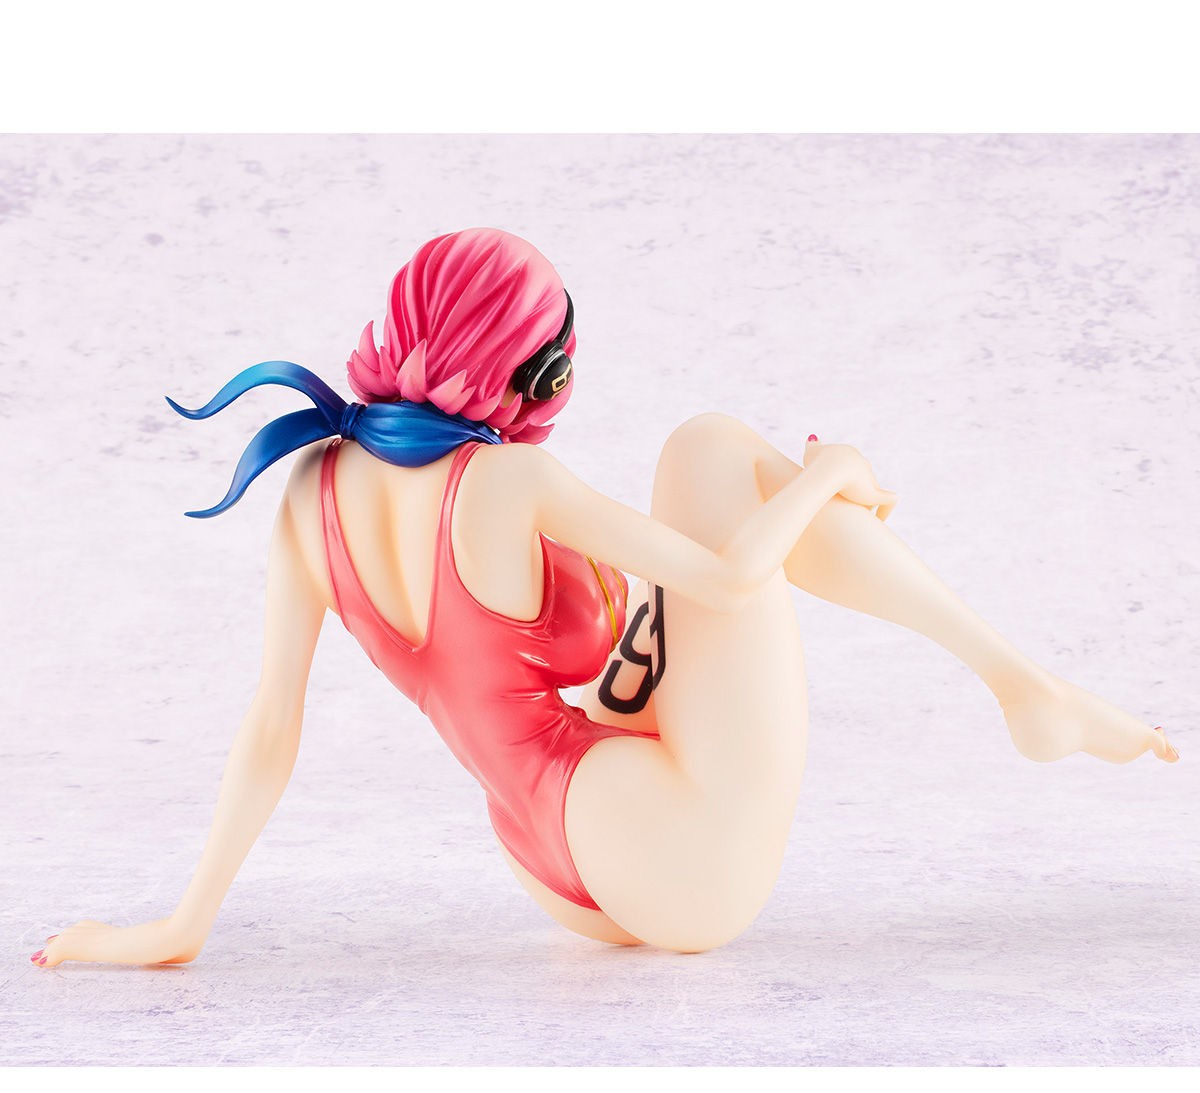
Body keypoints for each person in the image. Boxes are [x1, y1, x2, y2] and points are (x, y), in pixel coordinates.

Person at [29, 228, 1179, 967]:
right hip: (670, 861)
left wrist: (182, 923)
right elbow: (731, 576)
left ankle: (1025, 688)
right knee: (715, 449)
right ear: (524, 372)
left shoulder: (310, 490)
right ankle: (1021, 686)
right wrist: (830, 470)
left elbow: (269, 731)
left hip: (550, 864)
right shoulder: (500, 480)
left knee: (709, 479)